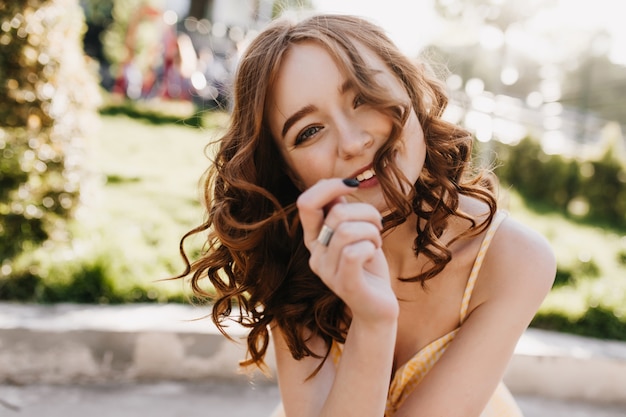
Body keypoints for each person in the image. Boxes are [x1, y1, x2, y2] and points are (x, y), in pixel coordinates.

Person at [175, 13, 556, 417]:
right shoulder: (297, 261)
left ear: (409, 88)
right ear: (289, 173)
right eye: (308, 131)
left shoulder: (512, 259)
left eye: (363, 97)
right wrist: (372, 323)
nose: (353, 142)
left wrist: (374, 317)